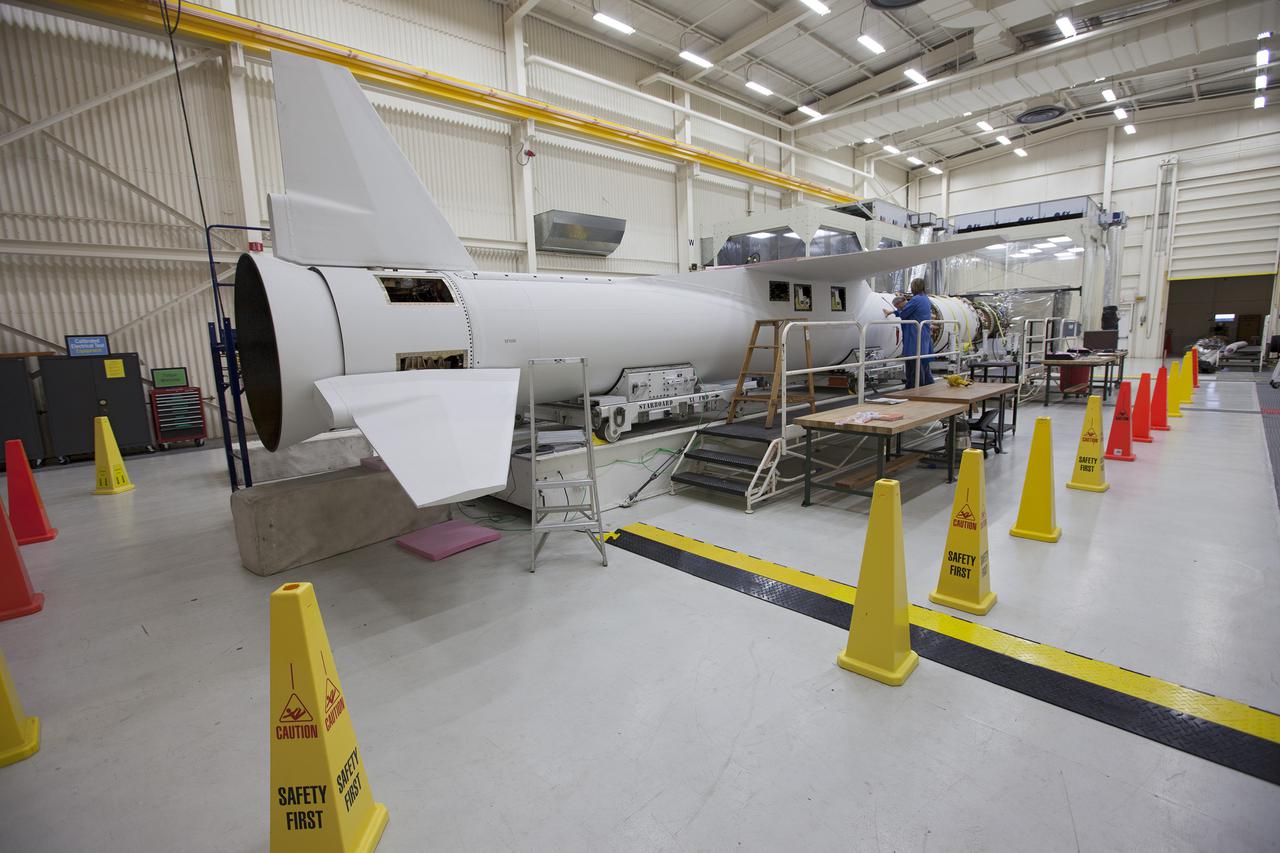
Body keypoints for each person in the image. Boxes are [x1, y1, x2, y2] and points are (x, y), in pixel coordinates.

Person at [885, 277, 935, 388]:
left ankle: (913, 388)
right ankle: (927, 385)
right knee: (923, 364)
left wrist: (897, 308)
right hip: (923, 335)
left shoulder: (916, 299)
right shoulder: (925, 299)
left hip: (914, 336)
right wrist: (893, 312)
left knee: (914, 365)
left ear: (914, 287)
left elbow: (904, 313)